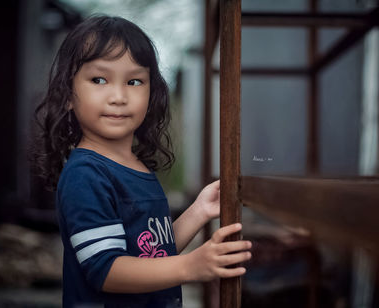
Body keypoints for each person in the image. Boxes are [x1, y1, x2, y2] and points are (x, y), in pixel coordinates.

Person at [30, 15, 251, 307]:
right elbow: (106, 270)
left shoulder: (136, 167)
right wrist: (190, 266)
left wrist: (198, 211)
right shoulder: (86, 173)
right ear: (68, 93)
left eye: (134, 81)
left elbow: (152, 250)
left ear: (152, 92)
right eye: (99, 79)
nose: (119, 96)